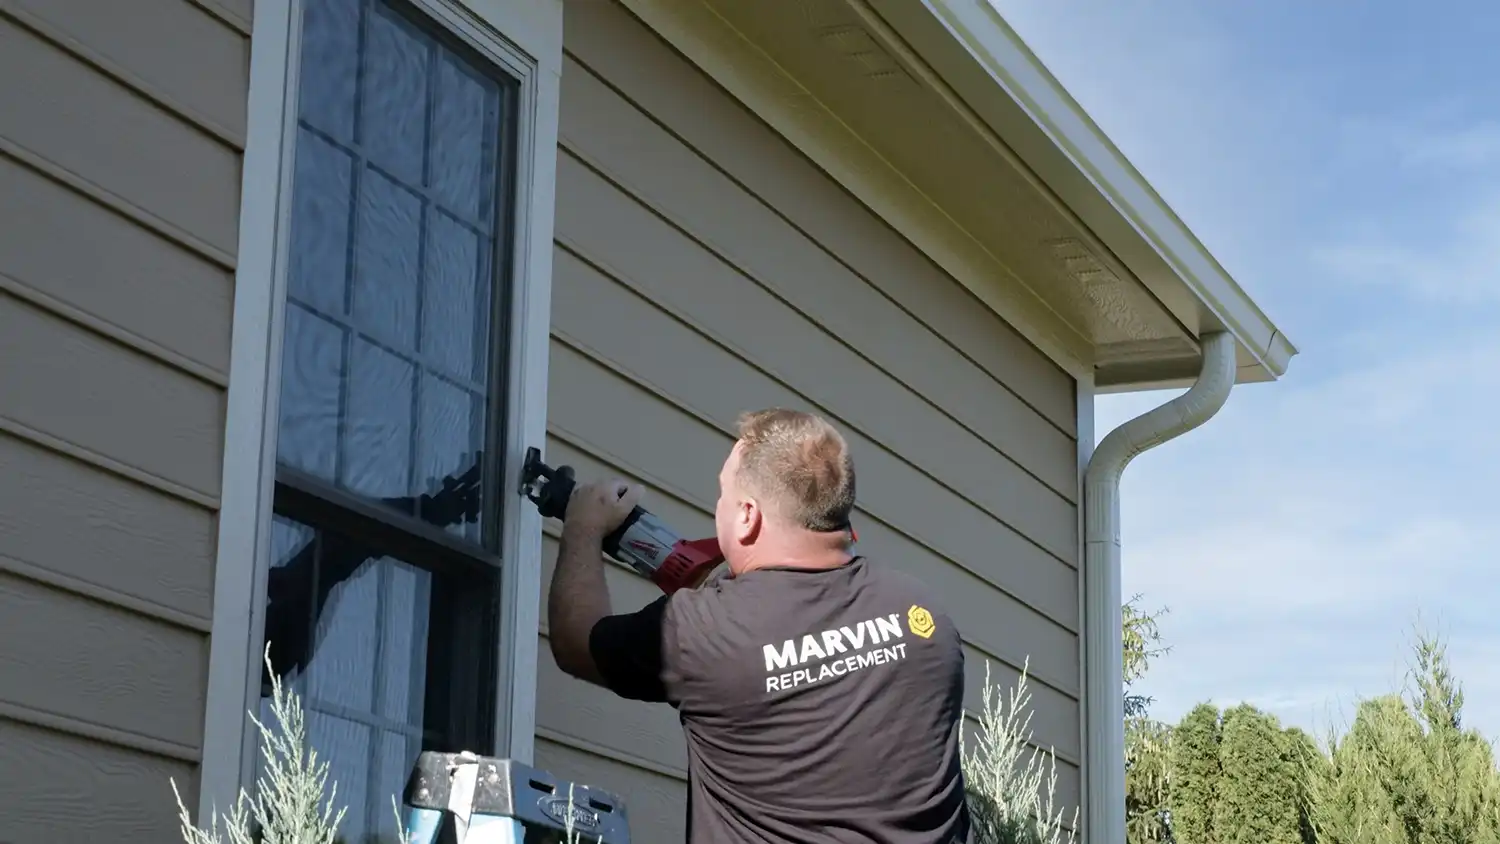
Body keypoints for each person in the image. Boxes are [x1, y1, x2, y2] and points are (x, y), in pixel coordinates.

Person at [547, 407, 970, 843]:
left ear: (747, 515)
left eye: (723, 495)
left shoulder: (701, 630)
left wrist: (583, 526)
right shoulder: (923, 615)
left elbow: (577, 640)